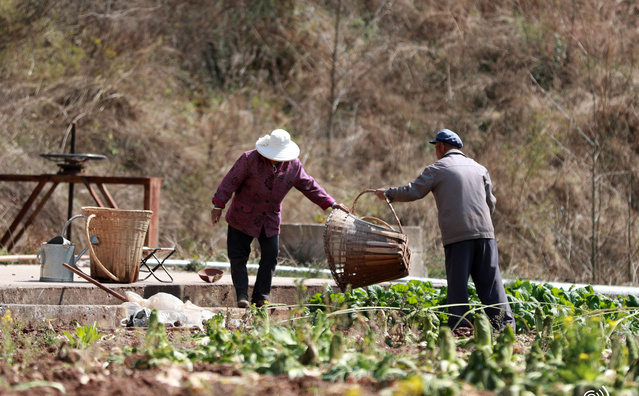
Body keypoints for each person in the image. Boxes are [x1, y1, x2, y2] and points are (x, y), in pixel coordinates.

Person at [374, 129, 515, 332]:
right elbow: (490, 203)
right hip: (485, 234)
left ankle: (460, 328)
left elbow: (413, 190)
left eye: (436, 148)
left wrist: (388, 193)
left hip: (458, 237)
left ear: (440, 147)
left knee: (458, 285)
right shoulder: (479, 168)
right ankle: (505, 327)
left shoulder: (438, 169)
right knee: (491, 283)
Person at [211, 129, 349, 308]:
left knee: (270, 256)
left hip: (269, 217)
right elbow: (230, 181)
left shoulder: (293, 166)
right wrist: (218, 205)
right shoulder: (249, 159)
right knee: (238, 257)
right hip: (242, 214)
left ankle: (260, 297)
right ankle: (242, 295)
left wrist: (331, 203)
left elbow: (309, 186)